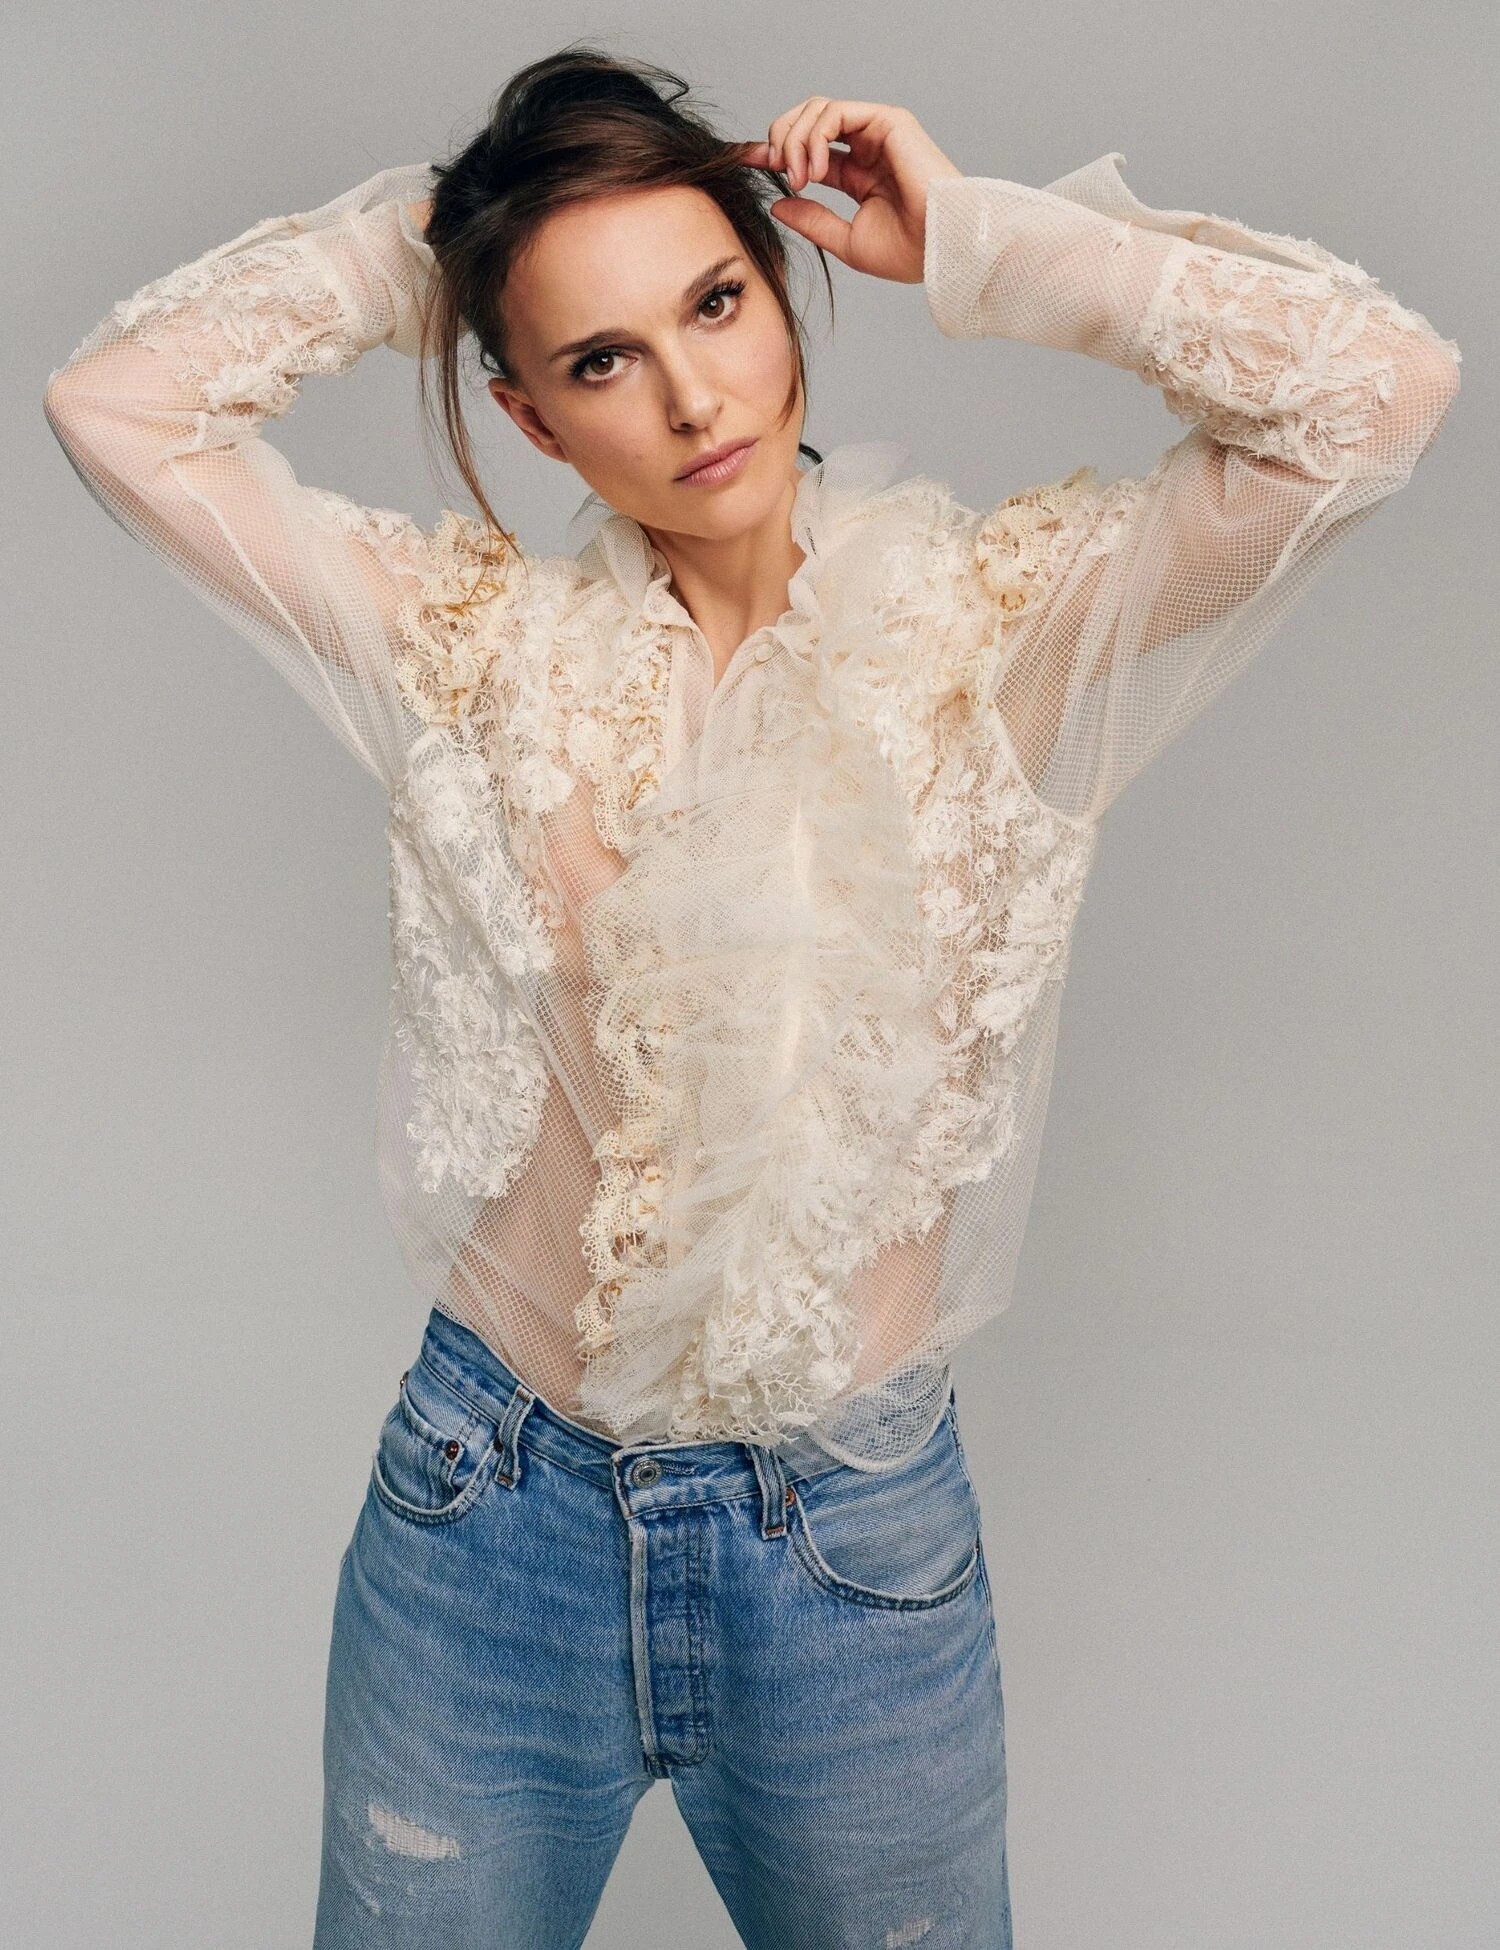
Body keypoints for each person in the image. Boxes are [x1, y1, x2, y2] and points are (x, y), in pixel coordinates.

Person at [42, 44, 1460, 1950]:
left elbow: (1379, 393)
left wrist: (976, 241)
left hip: (850, 1548)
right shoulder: (471, 651)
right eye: (600, 356)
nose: (693, 395)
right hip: (490, 1521)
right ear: (532, 418)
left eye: (714, 302)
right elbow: (115, 410)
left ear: (782, 292)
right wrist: (434, 242)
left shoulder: (999, 635)